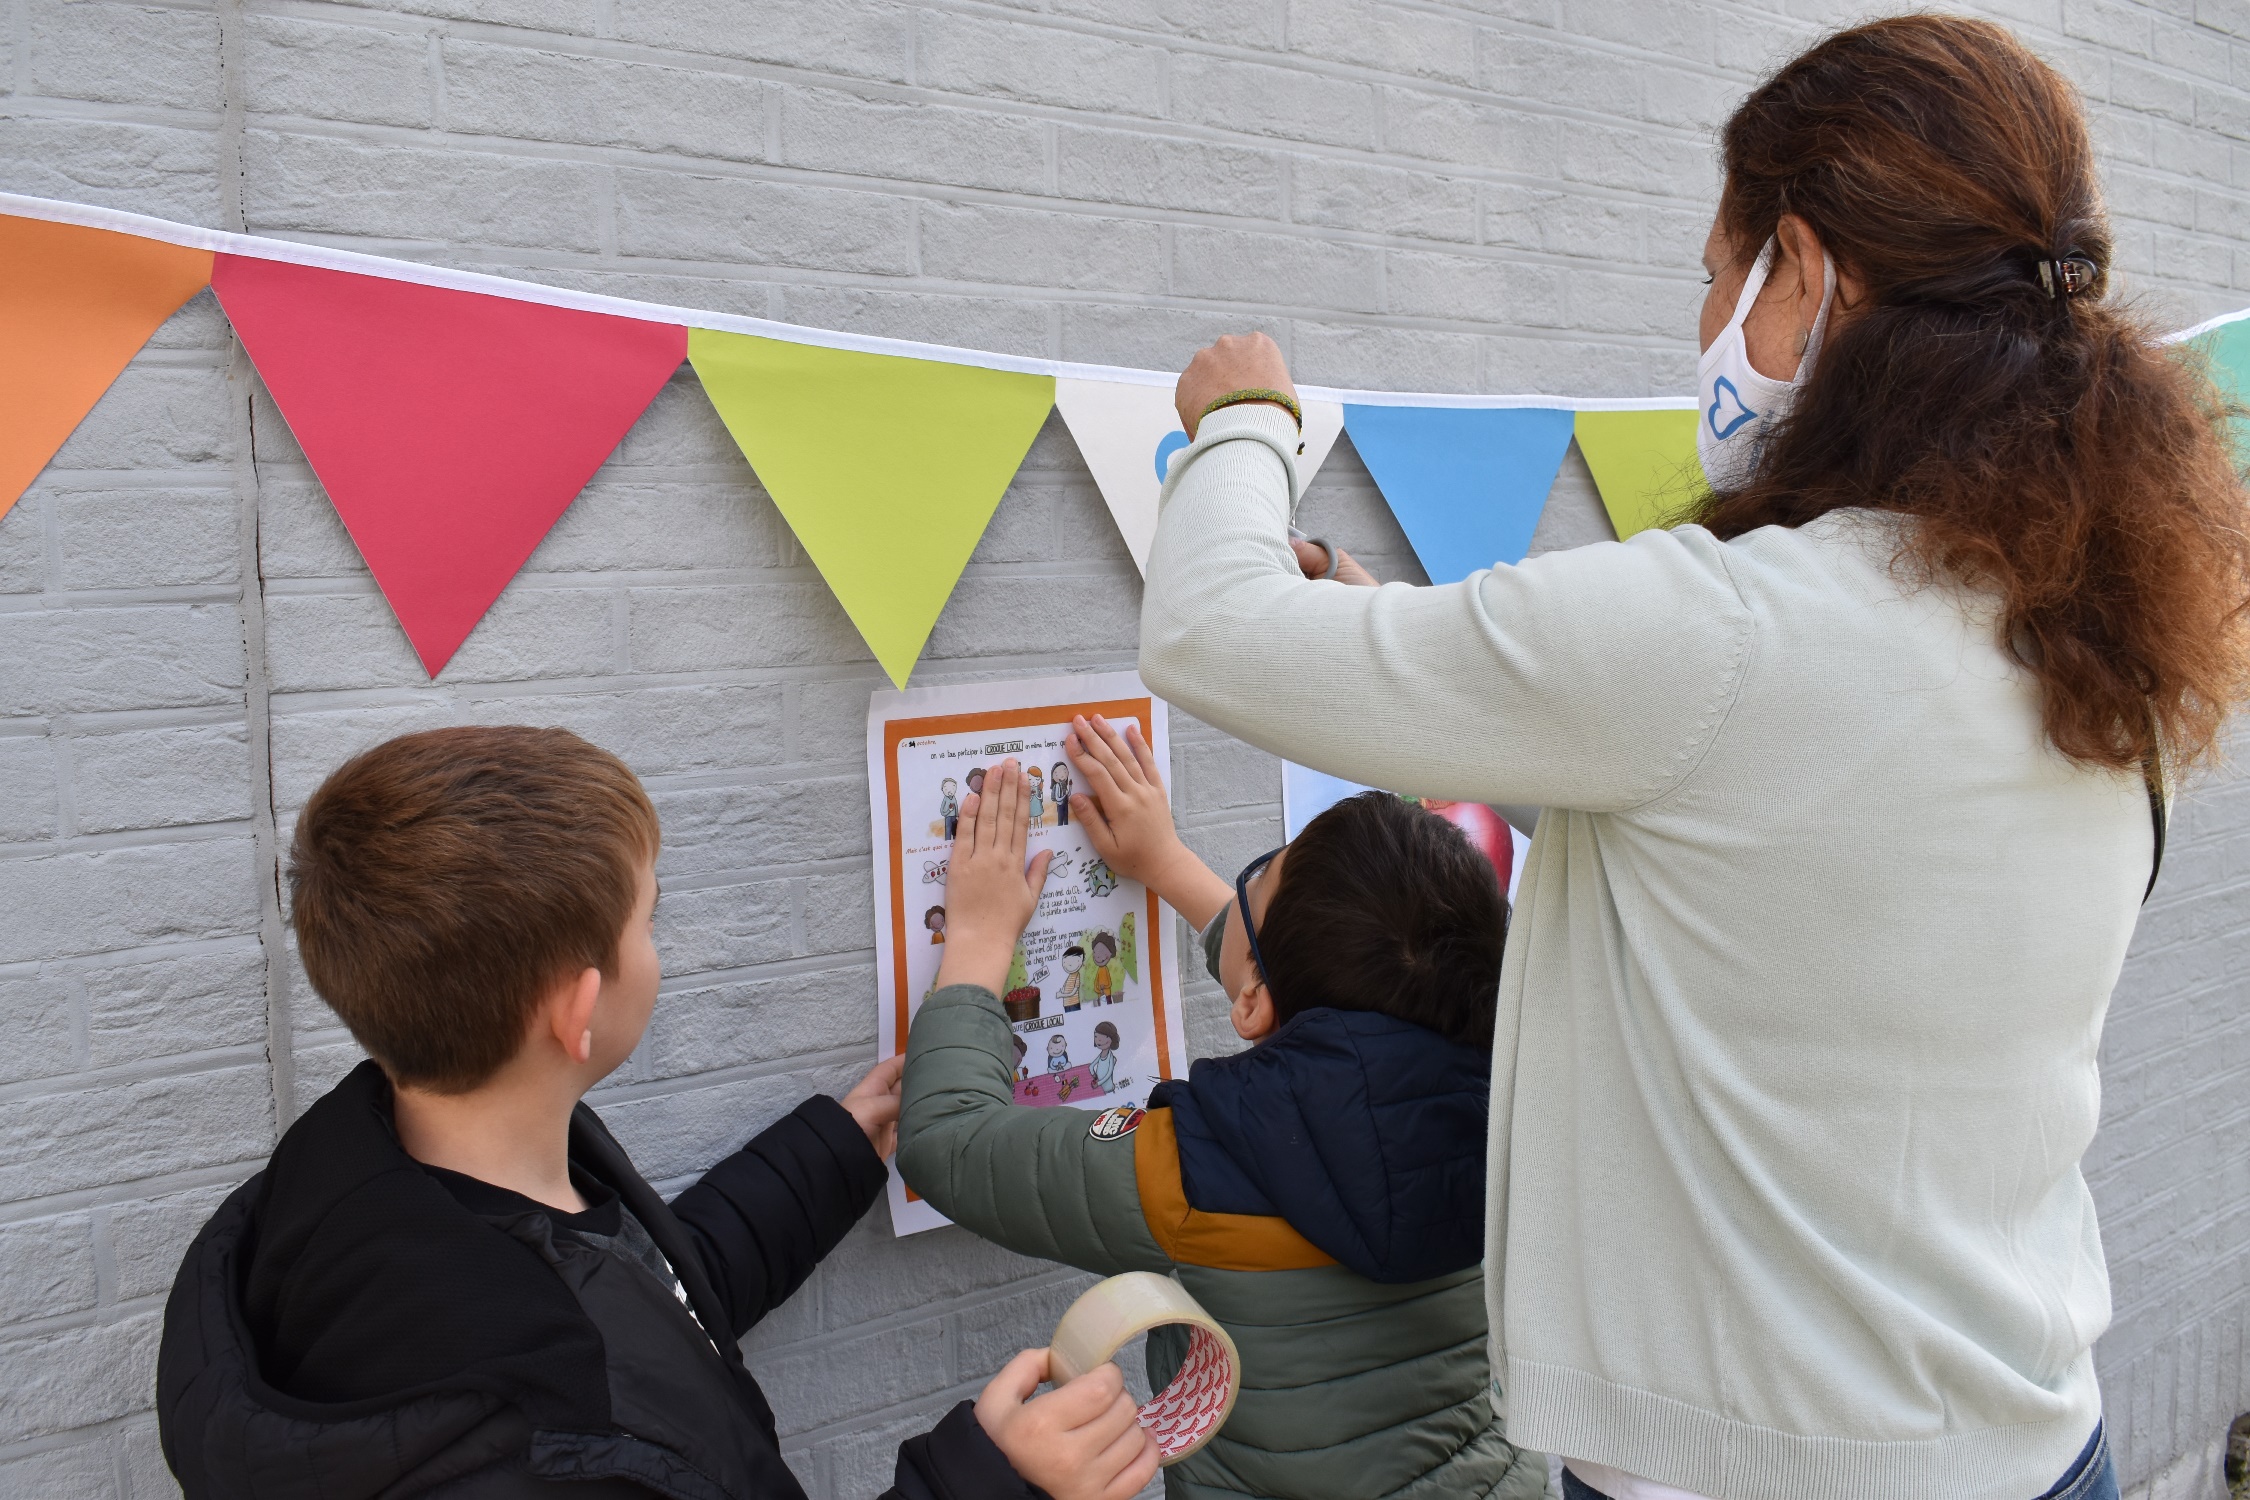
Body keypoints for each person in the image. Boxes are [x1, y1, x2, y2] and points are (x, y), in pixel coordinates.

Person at [1137, 18, 2250, 1500]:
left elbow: (1210, 630)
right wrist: (1389, 621)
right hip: (2030, 1441)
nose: (1707, 318)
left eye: (1716, 275)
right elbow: (1750, 823)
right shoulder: (2077, 631)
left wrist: (1240, 425)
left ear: (1807, 268)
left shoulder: (1731, 624)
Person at [155, 725, 1161, 1500]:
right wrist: (989, 1477)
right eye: (649, 916)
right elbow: (617, 1362)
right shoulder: (560, 1452)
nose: (658, 940)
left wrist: (832, 1152)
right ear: (578, 1011)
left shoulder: (386, 1191)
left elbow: (653, 1296)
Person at [896, 726, 1550, 1500]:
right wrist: (1164, 863)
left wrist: (975, 939)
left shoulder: (1200, 1164)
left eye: (1256, 883)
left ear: (1255, 998)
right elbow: (1322, 1006)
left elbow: (948, 1140)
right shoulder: (1519, 1108)